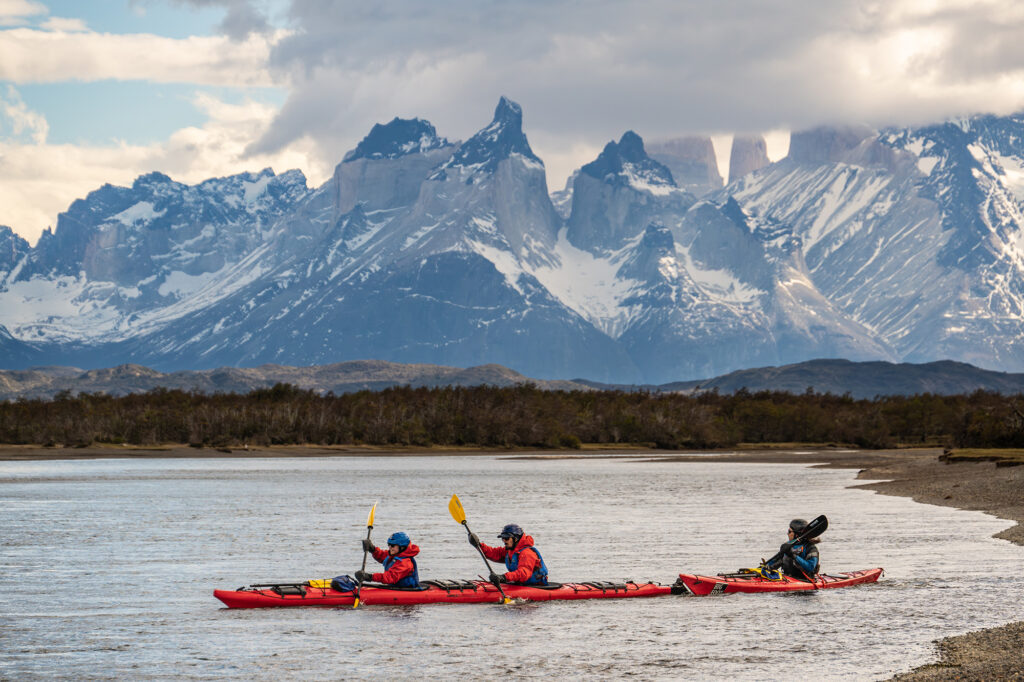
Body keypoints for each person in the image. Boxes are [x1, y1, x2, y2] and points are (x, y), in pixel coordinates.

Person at [468, 523, 548, 586]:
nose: (504, 541)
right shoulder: (509, 551)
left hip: (535, 587)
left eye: (506, 538)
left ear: (515, 539)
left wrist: (503, 577)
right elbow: (493, 553)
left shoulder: (527, 553)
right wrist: (478, 545)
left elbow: (524, 573)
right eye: (502, 538)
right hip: (521, 585)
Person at [354, 531, 420, 587]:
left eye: (393, 545)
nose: (390, 547)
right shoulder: (395, 554)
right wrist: (372, 549)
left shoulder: (405, 563)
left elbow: (389, 577)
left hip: (406, 589)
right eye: (389, 544)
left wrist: (369, 577)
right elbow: (382, 556)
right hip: (395, 586)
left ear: (402, 547)